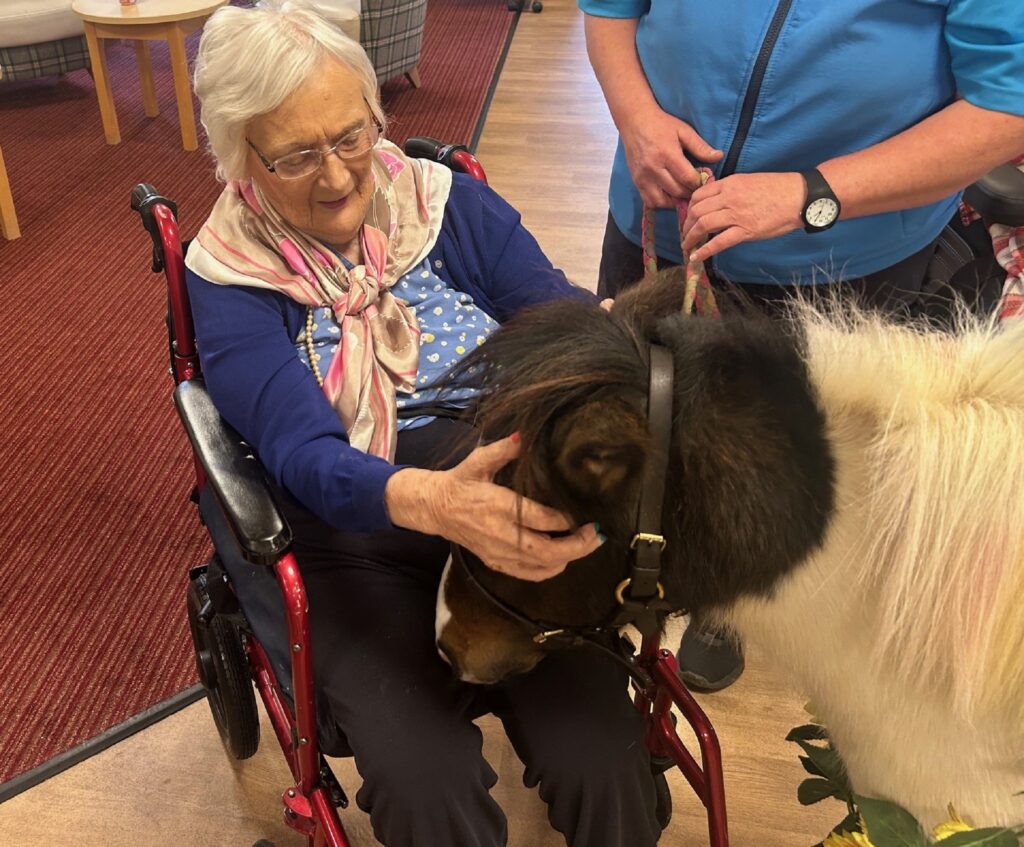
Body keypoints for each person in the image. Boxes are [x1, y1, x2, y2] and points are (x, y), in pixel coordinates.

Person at [184, 3, 663, 846]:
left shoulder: (443, 208)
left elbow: (557, 317)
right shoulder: (231, 277)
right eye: (296, 156)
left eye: (350, 136)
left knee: (607, 756)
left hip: (514, 510)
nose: (336, 177)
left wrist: (612, 343)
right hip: (350, 540)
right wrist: (436, 502)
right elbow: (302, 452)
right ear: (241, 162)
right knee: (423, 782)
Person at [579, 0, 1024, 691]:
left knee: (766, 461)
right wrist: (636, 120)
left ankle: (725, 603)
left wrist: (810, 195)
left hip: (839, 261)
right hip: (662, 217)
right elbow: (610, 8)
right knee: (628, 428)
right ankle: (595, 581)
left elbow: (1005, 105)